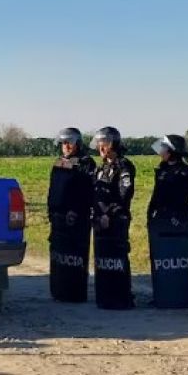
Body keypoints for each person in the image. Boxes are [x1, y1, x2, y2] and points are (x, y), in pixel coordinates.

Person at [46, 126, 96, 302]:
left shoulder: (86, 162)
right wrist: (50, 211)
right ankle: (58, 291)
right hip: (58, 217)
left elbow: (87, 191)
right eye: (63, 143)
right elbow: (53, 190)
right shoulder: (58, 163)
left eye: (70, 142)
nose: (66, 146)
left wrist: (75, 210)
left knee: (74, 257)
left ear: (78, 143)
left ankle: (74, 293)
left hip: (76, 217)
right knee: (59, 256)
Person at [91, 126, 136, 309]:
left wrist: (109, 214)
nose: (101, 147)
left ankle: (122, 297)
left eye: (105, 143)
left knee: (117, 259)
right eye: (99, 143)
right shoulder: (102, 167)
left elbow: (124, 195)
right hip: (100, 220)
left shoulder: (124, 166)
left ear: (114, 144)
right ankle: (105, 296)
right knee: (103, 261)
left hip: (117, 219)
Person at [147, 134, 188, 226]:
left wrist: (184, 215)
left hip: (179, 220)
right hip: (160, 217)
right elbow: (156, 194)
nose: (161, 152)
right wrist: (150, 214)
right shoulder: (161, 169)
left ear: (172, 151)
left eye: (164, 148)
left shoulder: (186, 172)